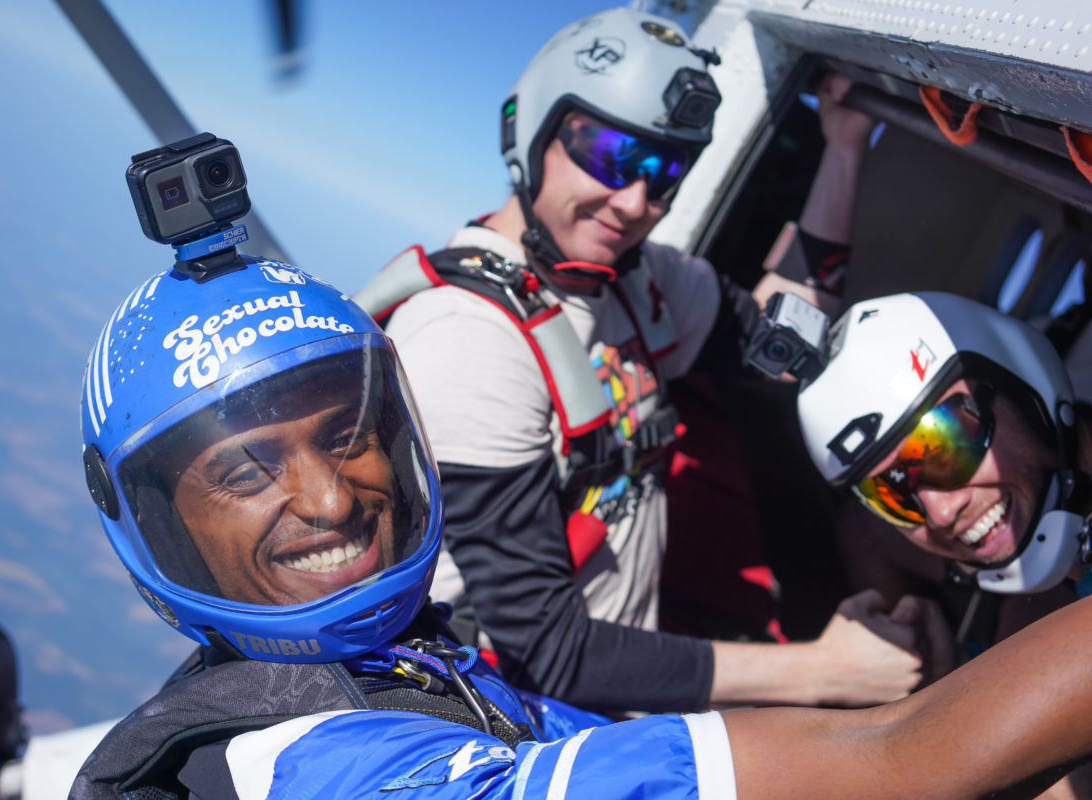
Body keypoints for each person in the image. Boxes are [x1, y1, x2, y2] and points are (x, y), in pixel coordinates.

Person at [73, 257, 1092, 799]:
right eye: (247, 469)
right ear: (160, 517)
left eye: (347, 434)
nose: (330, 497)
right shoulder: (317, 765)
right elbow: (906, 760)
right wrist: (839, 684)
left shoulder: (404, 670)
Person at [358, 6, 927, 713]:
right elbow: (548, 653)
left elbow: (783, 339)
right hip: (517, 718)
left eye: (664, 172)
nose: (633, 201)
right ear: (531, 131)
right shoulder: (466, 338)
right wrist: (823, 672)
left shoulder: (637, 283)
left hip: (619, 693)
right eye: (609, 154)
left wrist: (844, 145)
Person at [797, 289, 1092, 798]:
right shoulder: (1036, 605)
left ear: (1021, 385)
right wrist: (952, 681)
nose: (939, 511)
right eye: (891, 495)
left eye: (944, 446)